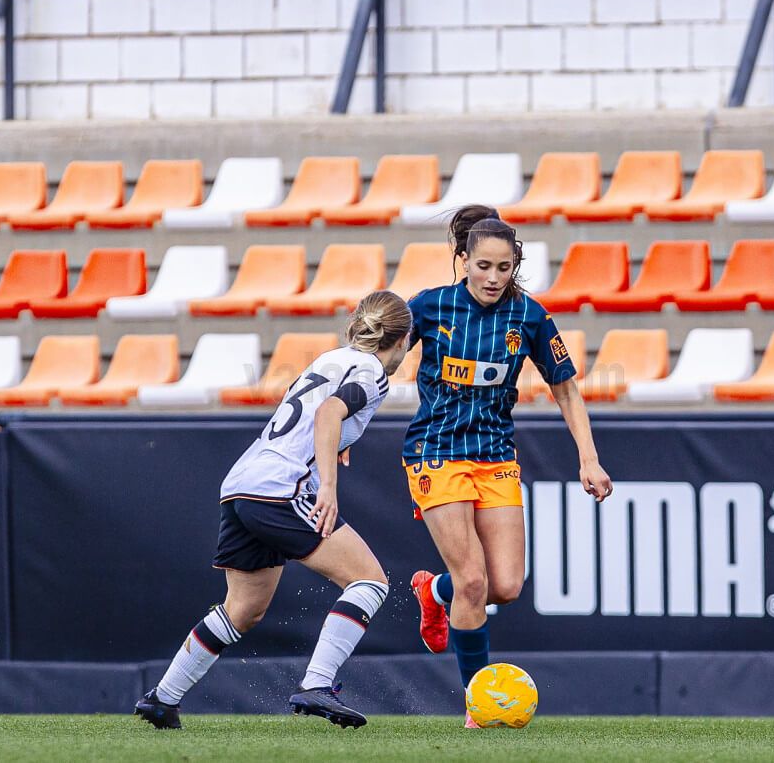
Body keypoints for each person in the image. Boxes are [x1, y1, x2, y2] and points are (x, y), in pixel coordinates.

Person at [135, 291, 413, 730]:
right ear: (401, 341)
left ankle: (163, 698)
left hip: (242, 484)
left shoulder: (327, 360)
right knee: (369, 581)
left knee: (243, 609)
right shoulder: (374, 371)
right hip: (281, 489)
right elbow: (328, 414)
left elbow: (310, 416)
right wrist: (327, 484)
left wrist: (335, 446)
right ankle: (317, 683)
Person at [405, 205, 613, 728]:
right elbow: (374, 360)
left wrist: (588, 459)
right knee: (473, 579)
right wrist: (344, 420)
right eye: (483, 266)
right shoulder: (430, 308)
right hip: (436, 451)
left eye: (504, 267)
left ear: (515, 264)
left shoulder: (531, 317)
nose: (494, 277)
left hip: (495, 456)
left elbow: (565, 388)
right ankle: (479, 708)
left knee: (506, 585)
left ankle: (434, 591)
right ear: (463, 260)